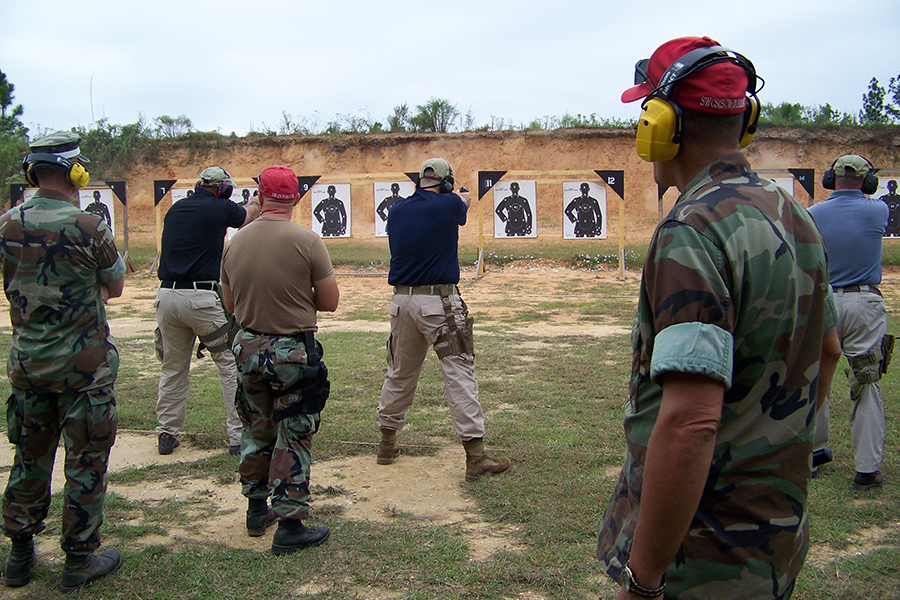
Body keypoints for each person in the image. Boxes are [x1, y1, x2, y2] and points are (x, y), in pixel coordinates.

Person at [595, 37, 841, 600]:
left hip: (702, 556)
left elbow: (690, 422)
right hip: (776, 538)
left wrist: (644, 580)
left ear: (661, 124)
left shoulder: (693, 230)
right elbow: (827, 351)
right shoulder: (795, 216)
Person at [1, 132, 127, 592]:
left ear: (32, 173)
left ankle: (18, 556)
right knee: (86, 462)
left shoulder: (6, 225)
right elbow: (114, 286)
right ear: (77, 172)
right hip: (84, 370)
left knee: (29, 458)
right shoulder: (89, 227)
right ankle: (78, 560)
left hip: (29, 367)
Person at [221, 165, 339, 553]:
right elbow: (330, 302)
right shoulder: (307, 241)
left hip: (249, 348)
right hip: (291, 352)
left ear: (260, 194)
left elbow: (230, 302)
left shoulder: (235, 243)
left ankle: (257, 509)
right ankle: (289, 523)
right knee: (294, 429)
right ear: (296, 197)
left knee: (257, 427)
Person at [376, 157, 510, 482]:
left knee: (400, 372)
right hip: (440, 303)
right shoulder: (449, 204)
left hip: (401, 302)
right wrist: (459, 196)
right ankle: (476, 457)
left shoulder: (395, 211)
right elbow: (459, 208)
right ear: (446, 182)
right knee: (459, 371)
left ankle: (387, 442)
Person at [155, 166, 260, 455]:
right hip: (200, 298)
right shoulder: (220, 208)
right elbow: (247, 217)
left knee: (173, 368)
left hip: (166, 296)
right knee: (228, 363)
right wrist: (255, 199)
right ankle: (237, 437)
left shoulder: (176, 208)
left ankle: (167, 432)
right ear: (223, 189)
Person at [809, 155, 890, 490]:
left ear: (831, 179)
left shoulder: (813, 214)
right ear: (868, 182)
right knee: (866, 380)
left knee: (815, 379)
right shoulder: (878, 210)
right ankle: (866, 470)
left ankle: (813, 453)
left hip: (824, 301)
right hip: (864, 302)